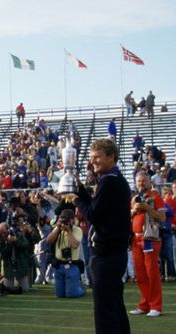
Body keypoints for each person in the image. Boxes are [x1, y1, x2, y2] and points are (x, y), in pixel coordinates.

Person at [73, 138, 131, 334]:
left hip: (106, 254)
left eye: (97, 157)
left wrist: (75, 199)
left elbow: (93, 215)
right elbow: (97, 208)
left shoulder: (109, 182)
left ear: (111, 157)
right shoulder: (114, 180)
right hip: (114, 253)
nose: (93, 161)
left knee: (105, 311)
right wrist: (80, 190)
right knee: (115, 305)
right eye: (91, 157)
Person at [129, 172, 165, 317]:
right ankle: (145, 304)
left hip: (149, 238)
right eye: (139, 181)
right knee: (141, 274)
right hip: (135, 239)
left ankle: (156, 306)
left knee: (152, 272)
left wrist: (147, 208)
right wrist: (134, 210)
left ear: (149, 182)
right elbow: (128, 216)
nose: (141, 183)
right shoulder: (134, 199)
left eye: (144, 181)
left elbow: (162, 218)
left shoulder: (156, 197)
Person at [46, 209, 85, 298]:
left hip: (72, 266)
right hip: (59, 266)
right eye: (63, 219)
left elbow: (75, 245)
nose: (65, 222)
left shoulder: (77, 229)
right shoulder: (58, 228)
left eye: (67, 220)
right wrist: (58, 229)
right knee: (59, 295)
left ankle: (80, 288)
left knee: (71, 295)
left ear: (72, 220)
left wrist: (68, 231)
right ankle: (72, 286)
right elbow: (48, 241)